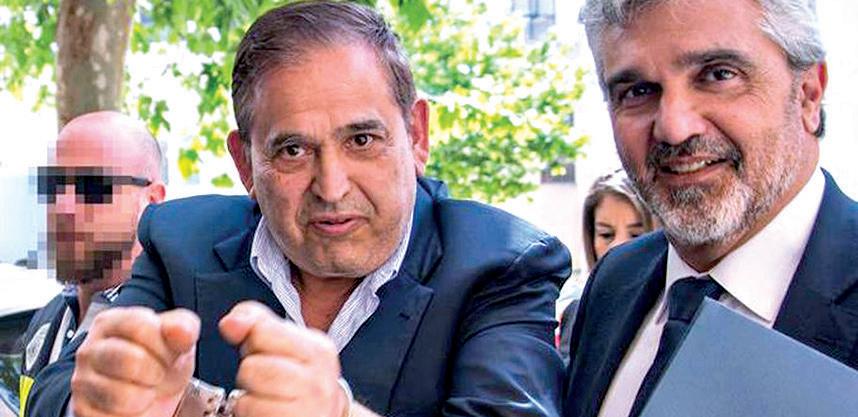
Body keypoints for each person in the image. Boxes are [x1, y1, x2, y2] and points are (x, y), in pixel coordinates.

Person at [25, 2, 571, 417]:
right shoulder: (179, 242)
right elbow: (54, 391)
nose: (331, 187)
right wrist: (112, 396)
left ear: (417, 135)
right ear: (245, 164)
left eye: (362, 140)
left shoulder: (503, 265)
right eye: (292, 151)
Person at [564, 1, 858, 417]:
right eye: (637, 91)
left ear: (809, 94)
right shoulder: (613, 284)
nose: (674, 128)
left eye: (718, 75)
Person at [18, 111, 165, 416]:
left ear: (152, 200)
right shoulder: (48, 319)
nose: (64, 207)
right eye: (55, 185)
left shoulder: (173, 330)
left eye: (94, 187)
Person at [557, 170, 656, 363]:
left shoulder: (677, 310)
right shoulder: (578, 313)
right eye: (606, 235)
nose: (618, 246)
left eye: (636, 235)